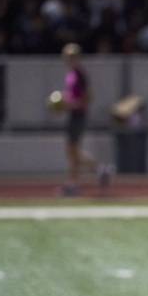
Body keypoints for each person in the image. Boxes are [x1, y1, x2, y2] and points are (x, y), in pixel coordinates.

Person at [59, 43, 111, 196]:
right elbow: (71, 95)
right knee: (72, 151)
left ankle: (74, 183)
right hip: (73, 114)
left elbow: (88, 96)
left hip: (78, 115)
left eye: (72, 57)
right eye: (68, 57)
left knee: (72, 150)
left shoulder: (80, 74)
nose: (70, 60)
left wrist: (73, 104)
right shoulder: (71, 74)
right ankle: (98, 170)